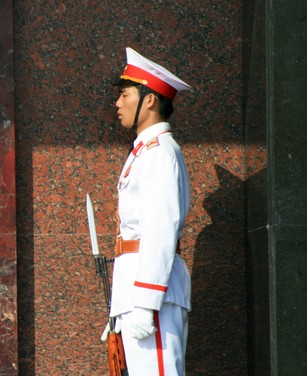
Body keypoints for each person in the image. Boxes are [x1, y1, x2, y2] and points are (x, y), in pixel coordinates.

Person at [105, 47, 192, 375]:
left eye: (123, 94)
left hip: (150, 296)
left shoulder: (160, 154)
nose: (117, 103)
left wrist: (145, 302)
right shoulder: (145, 153)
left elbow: (160, 229)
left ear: (150, 99)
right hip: (138, 292)